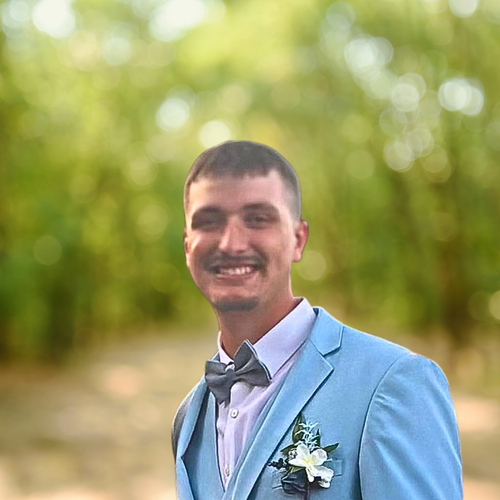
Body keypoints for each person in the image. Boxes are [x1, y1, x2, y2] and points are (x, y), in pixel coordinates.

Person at [173, 140, 462, 500]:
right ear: (188, 245)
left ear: (298, 239)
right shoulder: (189, 418)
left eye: (257, 219)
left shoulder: (393, 383)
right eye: (208, 221)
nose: (231, 243)